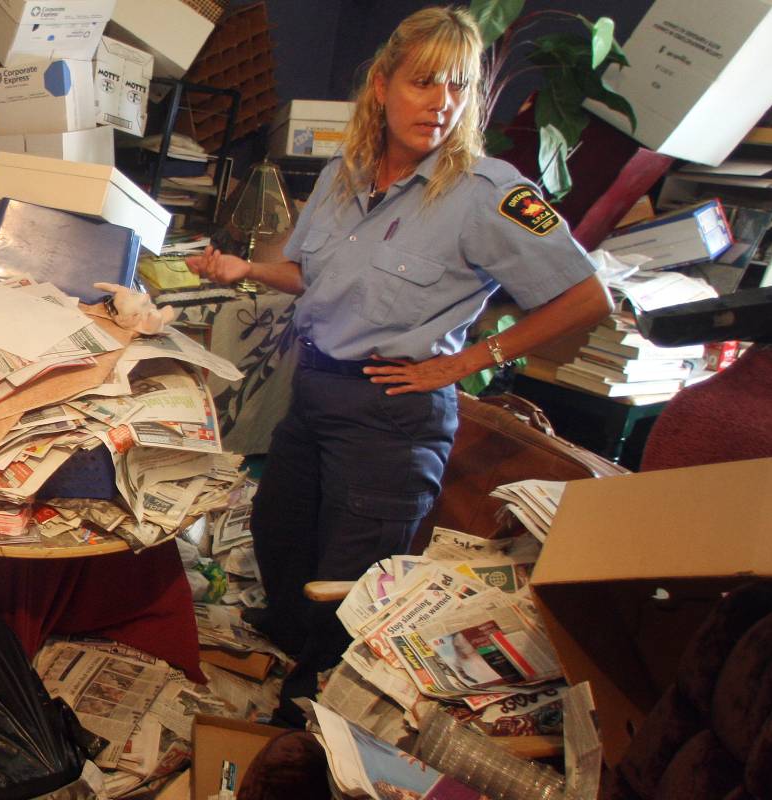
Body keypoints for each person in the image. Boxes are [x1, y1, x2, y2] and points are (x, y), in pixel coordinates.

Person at [187, 7, 612, 718]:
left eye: (456, 87)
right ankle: (292, 642)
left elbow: (586, 295)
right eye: (424, 83)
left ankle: (313, 699)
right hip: (316, 391)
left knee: (348, 574)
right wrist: (245, 271)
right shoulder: (342, 175)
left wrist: (472, 359)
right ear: (382, 87)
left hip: (393, 413)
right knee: (278, 529)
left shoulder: (488, 193)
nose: (441, 104)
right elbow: (313, 276)